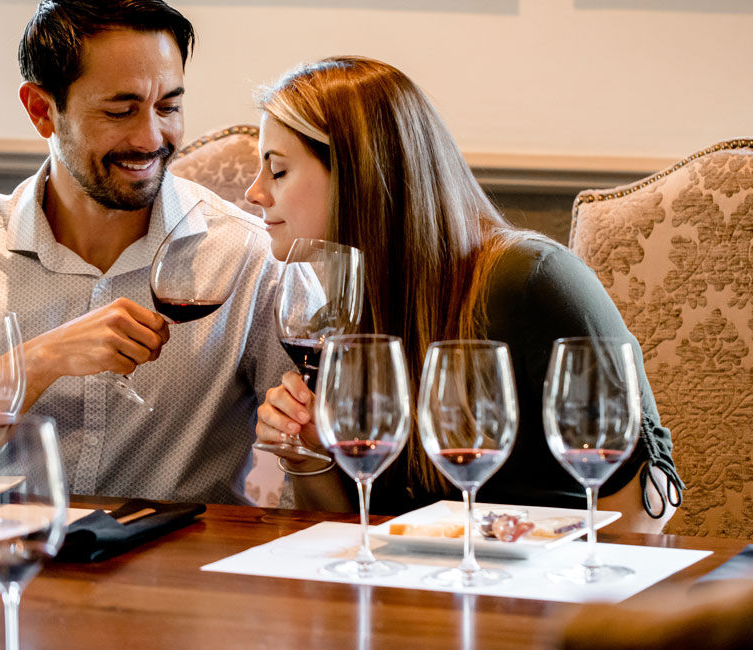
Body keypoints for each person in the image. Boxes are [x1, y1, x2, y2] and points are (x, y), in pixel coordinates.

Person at [249, 56, 683, 531]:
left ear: (359, 175)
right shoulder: (339, 315)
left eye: (278, 171)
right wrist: (308, 448)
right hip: (418, 591)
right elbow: (349, 531)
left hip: (547, 591)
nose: (254, 192)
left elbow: (644, 507)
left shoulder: (531, 281)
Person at [0, 0, 291, 505]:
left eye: (169, 107)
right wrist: (44, 358)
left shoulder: (246, 254)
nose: (151, 138)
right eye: (121, 110)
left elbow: (308, 455)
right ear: (42, 110)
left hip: (182, 571)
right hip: (8, 563)